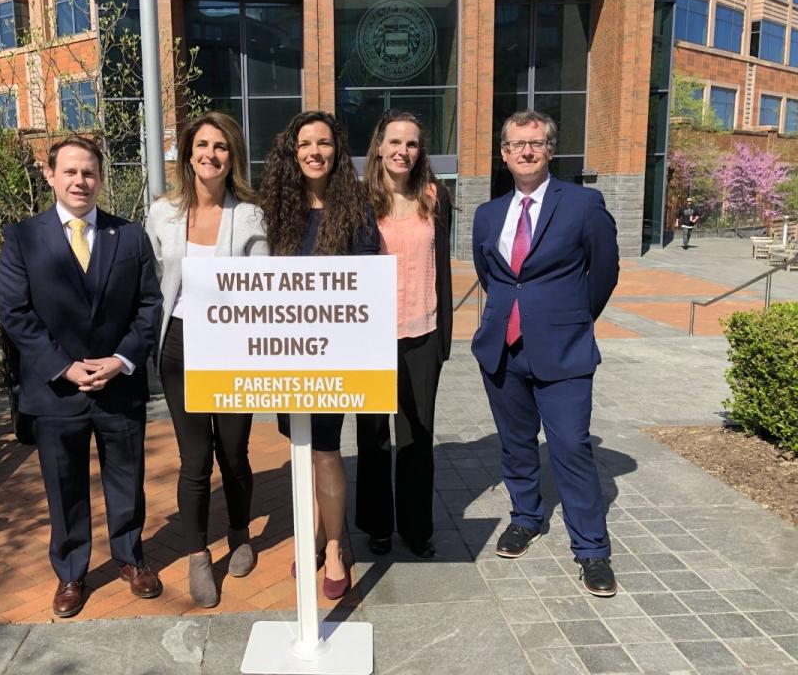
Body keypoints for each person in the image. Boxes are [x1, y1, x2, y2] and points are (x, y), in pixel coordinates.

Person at [0, 136, 162, 618]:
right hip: (55, 389)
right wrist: (63, 366)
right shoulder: (23, 237)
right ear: (50, 175)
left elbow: (149, 305)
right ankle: (71, 572)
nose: (80, 181)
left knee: (127, 478)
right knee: (63, 483)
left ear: (100, 177)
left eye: (89, 172)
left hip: (119, 384)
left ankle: (131, 557)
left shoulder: (129, 236)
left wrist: (122, 360)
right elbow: (15, 312)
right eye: (69, 171)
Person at [471, 110, 620, 597]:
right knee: (515, 445)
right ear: (504, 153)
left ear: (550, 149)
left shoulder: (582, 204)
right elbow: (493, 275)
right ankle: (526, 517)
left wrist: (571, 319)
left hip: (564, 351)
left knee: (571, 447)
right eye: (516, 145)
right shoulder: (489, 214)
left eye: (536, 143)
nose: (526, 151)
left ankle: (592, 550)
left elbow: (604, 272)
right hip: (503, 350)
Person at [145, 112, 267, 608]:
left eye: (220, 146)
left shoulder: (252, 214)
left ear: (231, 155)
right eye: (202, 145)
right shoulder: (162, 213)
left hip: (234, 347)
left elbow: (264, 286)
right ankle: (198, 554)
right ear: (188, 153)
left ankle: (240, 533)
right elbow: (152, 283)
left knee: (233, 453)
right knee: (194, 459)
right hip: (180, 346)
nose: (210, 154)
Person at [258, 110, 380, 600]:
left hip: (335, 354)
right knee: (299, 448)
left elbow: (367, 282)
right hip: (286, 353)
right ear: (292, 152)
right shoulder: (274, 209)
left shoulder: (355, 208)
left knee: (326, 450)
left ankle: (333, 545)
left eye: (324, 143)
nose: (315, 151)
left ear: (337, 150)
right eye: (305, 143)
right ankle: (313, 531)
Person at [354, 111, 452, 560]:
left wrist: (445, 338)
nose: (402, 151)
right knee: (373, 438)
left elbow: (444, 270)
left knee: (417, 436)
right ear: (379, 146)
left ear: (420, 151)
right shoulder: (358, 201)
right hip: (370, 337)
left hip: (422, 333)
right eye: (394, 142)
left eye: (411, 144)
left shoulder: (435, 196)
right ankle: (376, 526)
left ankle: (416, 528)